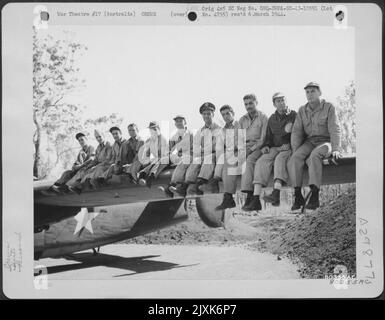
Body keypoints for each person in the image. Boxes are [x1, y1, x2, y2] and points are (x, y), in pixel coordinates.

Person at [287, 82, 341, 210]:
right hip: (310, 142)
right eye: (307, 92)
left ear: (319, 92)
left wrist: (336, 149)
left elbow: (335, 128)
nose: (310, 94)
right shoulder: (302, 110)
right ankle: (298, 195)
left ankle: (315, 196)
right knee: (294, 159)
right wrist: (295, 151)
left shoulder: (329, 107)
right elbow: (296, 132)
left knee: (314, 156)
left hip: (325, 142)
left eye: (313, 91)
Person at [242, 92, 297, 210]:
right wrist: (266, 145)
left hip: (287, 148)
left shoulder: (294, 115)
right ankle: (256, 198)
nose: (281, 103)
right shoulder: (272, 119)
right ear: (274, 104)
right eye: (278, 101)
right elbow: (268, 137)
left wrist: (291, 145)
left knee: (279, 160)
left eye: (283, 100)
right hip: (275, 148)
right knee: (261, 161)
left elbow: (299, 134)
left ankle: (276, 193)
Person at [216, 94, 268, 210]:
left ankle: (250, 196)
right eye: (246, 104)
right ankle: (228, 197)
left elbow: (263, 139)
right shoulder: (242, 120)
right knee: (229, 162)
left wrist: (251, 149)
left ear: (256, 102)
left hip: (257, 147)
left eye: (250, 103)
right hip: (243, 147)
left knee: (247, 161)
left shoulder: (263, 117)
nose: (248, 106)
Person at [170, 102, 221, 196]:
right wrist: (199, 151)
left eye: (208, 114)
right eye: (204, 114)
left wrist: (201, 150)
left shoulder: (218, 129)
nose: (206, 116)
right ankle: (176, 184)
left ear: (213, 115)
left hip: (213, 155)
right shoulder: (200, 131)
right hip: (201, 154)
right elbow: (196, 145)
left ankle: (188, 184)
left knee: (198, 160)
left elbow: (215, 146)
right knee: (185, 159)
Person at [204, 104, 239, 194]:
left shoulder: (239, 124)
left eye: (227, 114)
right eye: (223, 115)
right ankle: (214, 181)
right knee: (221, 156)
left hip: (238, 152)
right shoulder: (223, 130)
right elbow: (219, 146)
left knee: (223, 156)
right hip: (227, 154)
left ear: (233, 113)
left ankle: (215, 180)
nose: (225, 117)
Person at [159, 115, 193, 197]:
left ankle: (172, 185)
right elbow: (170, 150)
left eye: (180, 121)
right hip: (177, 158)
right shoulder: (174, 137)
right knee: (165, 158)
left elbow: (194, 148)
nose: (178, 123)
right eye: (177, 121)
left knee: (184, 160)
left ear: (185, 123)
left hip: (190, 156)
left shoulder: (191, 134)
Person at [137, 121, 170, 188]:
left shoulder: (163, 139)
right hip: (156, 160)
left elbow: (164, 154)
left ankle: (148, 175)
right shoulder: (150, 140)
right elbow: (146, 153)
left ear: (158, 129)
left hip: (165, 159)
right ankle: (146, 175)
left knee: (161, 160)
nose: (153, 131)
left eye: (155, 129)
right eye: (151, 129)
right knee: (153, 161)